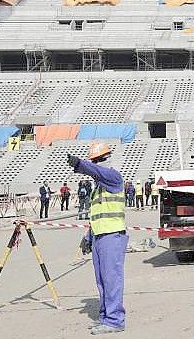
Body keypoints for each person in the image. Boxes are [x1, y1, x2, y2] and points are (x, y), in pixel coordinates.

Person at [68, 143, 128, 335]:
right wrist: (88, 237)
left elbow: (97, 172)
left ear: (106, 159)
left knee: (111, 279)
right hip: (99, 237)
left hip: (112, 235)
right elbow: (98, 215)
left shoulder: (114, 177)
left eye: (98, 161)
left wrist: (81, 164)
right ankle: (105, 317)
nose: (97, 165)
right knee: (102, 280)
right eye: (95, 161)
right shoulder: (97, 190)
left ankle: (115, 319)